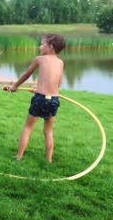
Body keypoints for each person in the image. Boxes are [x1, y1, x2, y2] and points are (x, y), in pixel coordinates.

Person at [4, 34, 66, 163]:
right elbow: (57, 84)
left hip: (40, 98)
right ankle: (48, 160)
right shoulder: (60, 62)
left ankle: (19, 156)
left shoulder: (40, 59)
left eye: (42, 44)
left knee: (28, 127)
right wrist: (39, 88)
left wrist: (15, 86)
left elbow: (27, 74)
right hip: (54, 99)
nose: (40, 46)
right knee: (48, 130)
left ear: (51, 47)